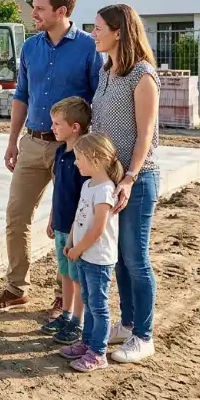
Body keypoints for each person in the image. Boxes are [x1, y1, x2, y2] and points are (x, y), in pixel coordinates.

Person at [0, 0, 104, 314]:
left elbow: (100, 98)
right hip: (32, 143)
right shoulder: (30, 48)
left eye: (39, 8)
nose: (33, 13)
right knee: (17, 216)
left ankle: (63, 295)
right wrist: (12, 140)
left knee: (67, 223)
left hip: (72, 151)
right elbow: (22, 95)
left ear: (61, 11)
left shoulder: (88, 48)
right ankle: (15, 288)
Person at [88, 3, 161, 364]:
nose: (93, 32)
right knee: (119, 260)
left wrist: (130, 177)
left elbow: (145, 135)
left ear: (119, 31)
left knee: (136, 259)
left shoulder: (142, 75)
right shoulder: (106, 72)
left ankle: (144, 337)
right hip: (112, 179)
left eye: (98, 27)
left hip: (139, 178)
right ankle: (129, 324)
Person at [59, 131, 123, 373]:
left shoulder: (105, 190)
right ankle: (86, 343)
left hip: (98, 258)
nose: (75, 163)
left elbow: (98, 229)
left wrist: (78, 249)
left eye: (79, 158)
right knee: (88, 301)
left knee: (98, 306)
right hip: (84, 254)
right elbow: (80, 217)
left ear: (95, 158)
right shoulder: (88, 185)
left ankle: (98, 353)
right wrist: (71, 242)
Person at [39, 96, 92, 345]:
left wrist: (74, 229)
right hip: (60, 225)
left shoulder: (83, 160)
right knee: (65, 274)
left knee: (78, 277)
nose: (52, 128)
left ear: (75, 127)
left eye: (57, 123)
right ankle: (67, 315)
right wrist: (52, 216)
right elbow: (58, 189)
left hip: (76, 230)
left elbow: (84, 199)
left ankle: (78, 322)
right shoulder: (60, 152)